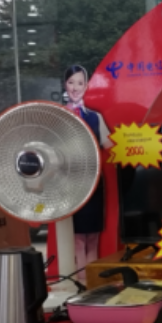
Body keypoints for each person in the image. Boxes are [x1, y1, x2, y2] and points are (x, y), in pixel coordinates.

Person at [63, 65, 113, 282]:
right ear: (65, 85)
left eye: (80, 83)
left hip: (94, 183)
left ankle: (93, 283)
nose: (75, 87)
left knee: (93, 237)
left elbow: (109, 144)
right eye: (71, 82)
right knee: (77, 239)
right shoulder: (59, 116)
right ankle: (82, 283)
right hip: (70, 185)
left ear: (86, 86)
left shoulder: (95, 117)